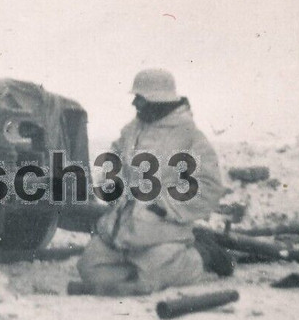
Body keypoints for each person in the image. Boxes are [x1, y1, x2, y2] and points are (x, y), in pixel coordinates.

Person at [75, 68, 228, 295]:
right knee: (90, 269)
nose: (135, 103)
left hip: (162, 235)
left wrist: (165, 208)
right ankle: (138, 268)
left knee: (153, 278)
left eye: (141, 98)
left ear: (158, 100)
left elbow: (209, 186)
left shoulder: (189, 136)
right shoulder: (131, 131)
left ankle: (202, 256)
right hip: (122, 230)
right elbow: (112, 159)